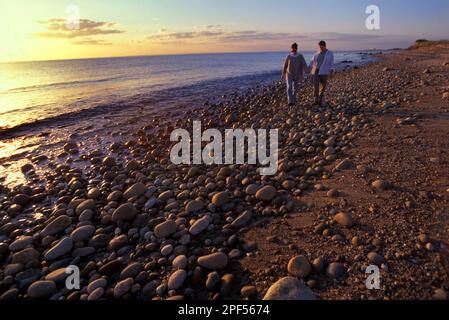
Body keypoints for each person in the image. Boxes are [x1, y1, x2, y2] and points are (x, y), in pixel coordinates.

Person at [309, 40, 334, 106]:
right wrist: (308, 68)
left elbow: (331, 63)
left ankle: (320, 99)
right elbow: (312, 62)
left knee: (323, 87)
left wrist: (331, 71)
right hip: (316, 71)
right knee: (315, 86)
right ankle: (316, 101)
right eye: (319, 47)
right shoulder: (316, 54)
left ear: (325, 46)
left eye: (321, 47)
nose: (320, 48)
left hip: (324, 72)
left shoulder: (330, 53)